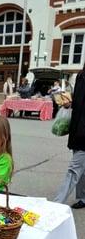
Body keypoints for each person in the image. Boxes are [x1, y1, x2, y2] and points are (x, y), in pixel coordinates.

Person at [54, 64, 85, 208]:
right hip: (77, 129)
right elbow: (79, 102)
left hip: (83, 133)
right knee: (82, 169)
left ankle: (57, 203)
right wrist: (69, 103)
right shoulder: (81, 76)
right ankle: (83, 198)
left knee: (74, 169)